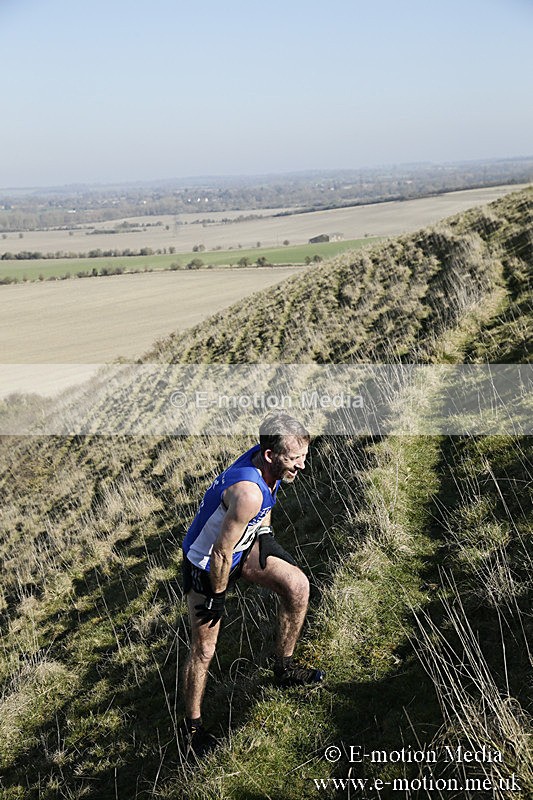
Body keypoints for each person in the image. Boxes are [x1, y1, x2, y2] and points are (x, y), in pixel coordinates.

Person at [180, 412, 324, 756]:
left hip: (243, 547)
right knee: (204, 650)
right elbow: (219, 552)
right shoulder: (247, 492)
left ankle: (284, 667)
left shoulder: (268, 463)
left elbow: (268, 497)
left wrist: (265, 533)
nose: (301, 467)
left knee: (298, 586)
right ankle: (192, 730)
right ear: (271, 455)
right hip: (208, 565)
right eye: (294, 460)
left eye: (304, 457)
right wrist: (216, 596)